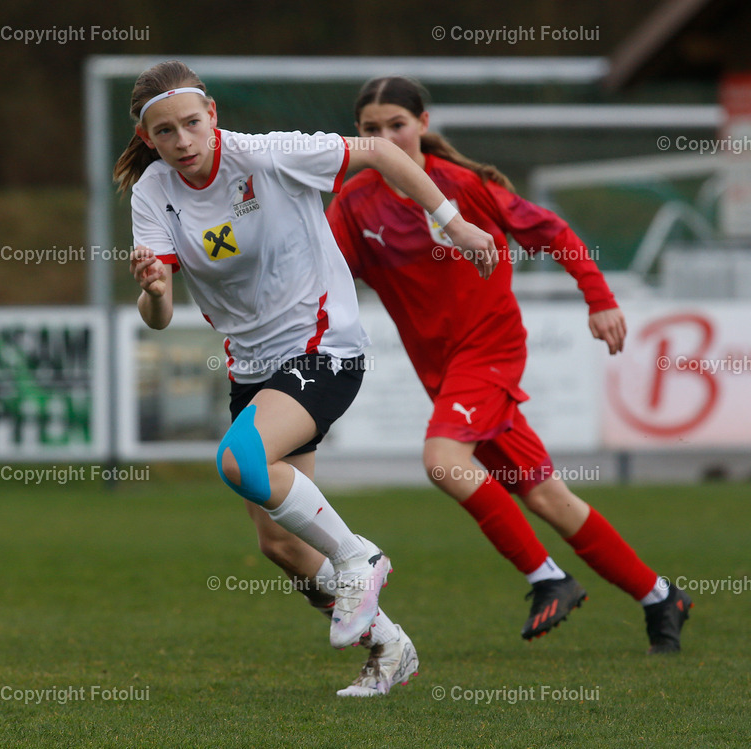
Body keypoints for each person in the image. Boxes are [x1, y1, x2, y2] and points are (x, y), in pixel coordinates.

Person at [115, 60, 498, 695]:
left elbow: (378, 151)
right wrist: (155, 289)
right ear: (148, 138)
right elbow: (156, 319)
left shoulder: (267, 157)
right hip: (254, 368)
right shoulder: (154, 193)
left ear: (212, 115)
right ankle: (389, 648)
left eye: (190, 124)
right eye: (165, 133)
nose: (182, 141)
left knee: (241, 461)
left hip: (323, 346)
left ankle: (359, 558)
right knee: (283, 547)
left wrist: (450, 221)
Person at [324, 75, 692, 654]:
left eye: (397, 124)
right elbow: (322, 279)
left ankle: (548, 578)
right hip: (443, 374)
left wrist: (599, 300)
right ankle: (660, 596)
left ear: (423, 123)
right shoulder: (353, 203)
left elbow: (552, 231)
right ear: (358, 137)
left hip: (490, 351)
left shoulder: (462, 187)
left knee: (444, 461)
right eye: (371, 130)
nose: (386, 137)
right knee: (547, 496)